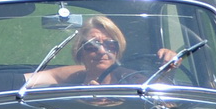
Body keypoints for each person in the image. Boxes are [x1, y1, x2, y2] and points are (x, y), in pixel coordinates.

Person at [23, 15, 180, 88]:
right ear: (80, 50)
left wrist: (169, 69)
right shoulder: (73, 76)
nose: (102, 51)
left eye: (111, 44)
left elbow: (159, 97)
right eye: (93, 45)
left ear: (118, 49)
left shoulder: (130, 78)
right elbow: (31, 79)